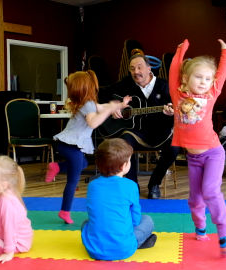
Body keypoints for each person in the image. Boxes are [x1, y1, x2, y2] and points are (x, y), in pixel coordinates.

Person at [169, 39, 226, 258]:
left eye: (208, 78)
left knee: (210, 192)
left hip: (213, 153)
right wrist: (181, 51)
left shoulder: (211, 94)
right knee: (195, 199)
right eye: (199, 77)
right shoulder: (178, 95)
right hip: (193, 158)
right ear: (186, 78)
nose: (204, 82)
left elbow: (222, 74)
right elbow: (173, 71)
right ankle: (200, 227)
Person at [45, 70, 131, 224]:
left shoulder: (86, 103)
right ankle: (65, 211)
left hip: (66, 144)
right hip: (71, 145)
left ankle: (57, 167)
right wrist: (108, 111)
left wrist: (118, 105)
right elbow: (93, 122)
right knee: (73, 179)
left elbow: (101, 107)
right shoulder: (88, 104)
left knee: (84, 163)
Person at [99, 54, 179, 199]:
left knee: (174, 147)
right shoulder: (127, 83)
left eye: (140, 67)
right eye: (132, 69)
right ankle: (132, 186)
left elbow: (178, 110)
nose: (136, 72)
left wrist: (170, 113)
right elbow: (102, 92)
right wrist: (113, 105)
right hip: (135, 131)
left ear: (149, 69)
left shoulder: (165, 86)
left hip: (160, 131)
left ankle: (154, 183)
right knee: (124, 143)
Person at [81, 138, 157, 260]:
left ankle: (130, 241)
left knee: (86, 222)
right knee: (147, 220)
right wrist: (128, 229)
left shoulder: (92, 185)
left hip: (93, 250)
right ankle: (137, 242)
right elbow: (136, 217)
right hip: (123, 248)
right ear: (124, 166)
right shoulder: (130, 185)